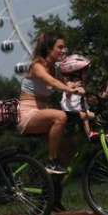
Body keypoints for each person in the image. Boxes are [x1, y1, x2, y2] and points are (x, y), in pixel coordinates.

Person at [17, 32, 84, 174]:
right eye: (60, 47)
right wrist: (69, 89)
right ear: (49, 49)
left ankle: (52, 186)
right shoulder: (37, 66)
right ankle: (51, 162)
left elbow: (68, 84)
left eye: (64, 47)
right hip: (28, 115)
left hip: (43, 114)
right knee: (60, 117)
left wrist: (79, 88)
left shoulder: (57, 69)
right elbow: (52, 82)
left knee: (69, 147)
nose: (64, 50)